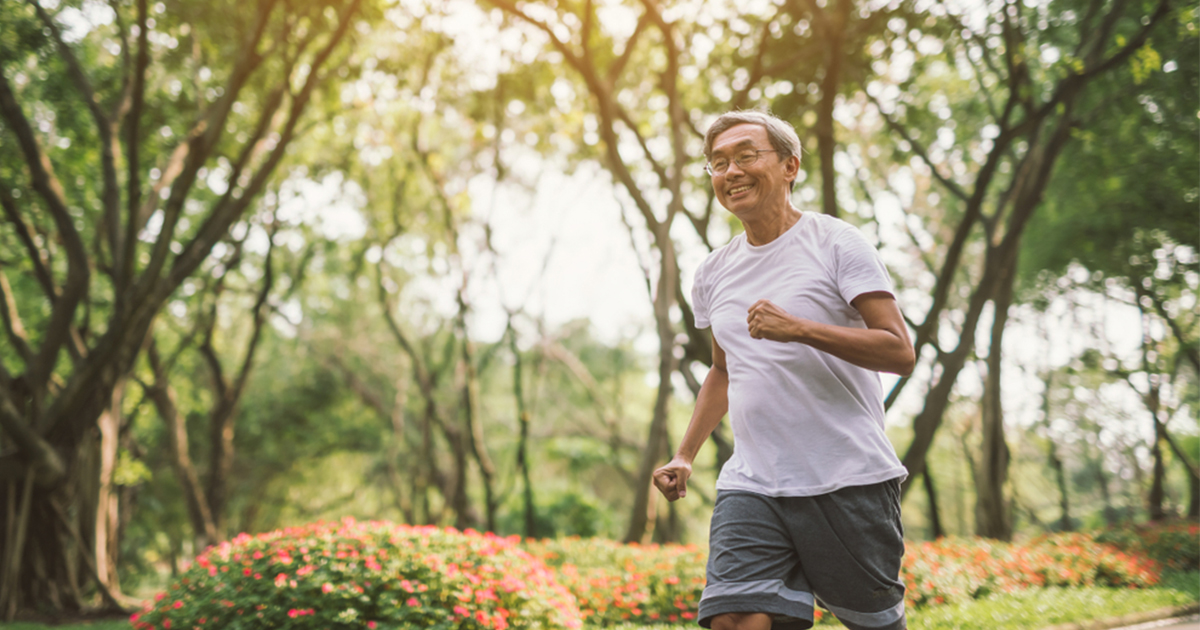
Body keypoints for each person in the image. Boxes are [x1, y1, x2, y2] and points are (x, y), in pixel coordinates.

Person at [652, 110, 916, 630]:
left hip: (847, 475)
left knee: (874, 623)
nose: (731, 171)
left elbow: (898, 351)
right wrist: (685, 455)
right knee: (736, 618)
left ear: (790, 165)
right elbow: (723, 371)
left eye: (746, 156)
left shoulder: (837, 243)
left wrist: (800, 329)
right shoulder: (713, 272)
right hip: (754, 479)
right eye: (718, 162)